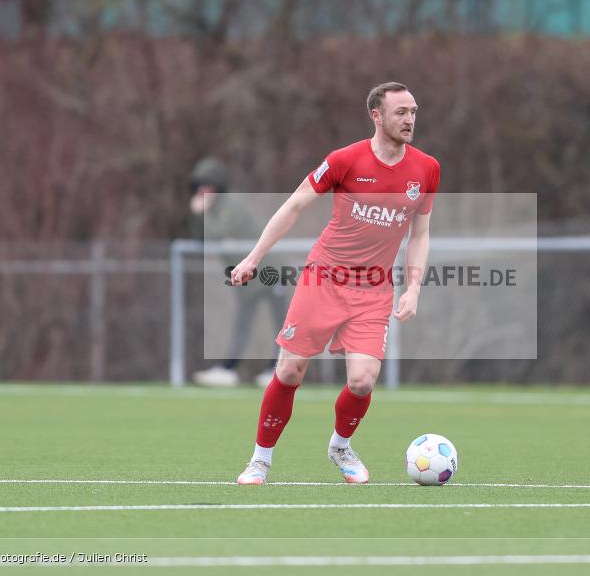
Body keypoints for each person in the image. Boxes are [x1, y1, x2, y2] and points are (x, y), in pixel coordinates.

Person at [229, 82, 440, 484]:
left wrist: (414, 288)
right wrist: (253, 258)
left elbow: (421, 233)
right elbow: (293, 206)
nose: (410, 119)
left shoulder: (427, 168)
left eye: (413, 111)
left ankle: (340, 446)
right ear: (376, 116)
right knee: (290, 372)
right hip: (323, 279)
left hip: (374, 290)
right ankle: (260, 460)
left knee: (362, 381)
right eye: (400, 112)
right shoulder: (345, 160)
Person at [188, 157, 288, 387]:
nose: (204, 192)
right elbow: (201, 237)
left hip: (271, 271)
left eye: (208, 186)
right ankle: (228, 368)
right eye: (200, 187)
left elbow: (219, 232)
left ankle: (277, 369)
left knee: (282, 323)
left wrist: (201, 213)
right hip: (249, 277)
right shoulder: (211, 210)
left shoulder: (228, 205)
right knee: (243, 323)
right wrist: (198, 215)